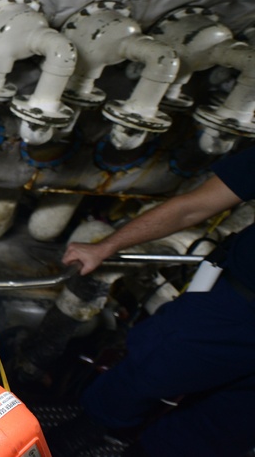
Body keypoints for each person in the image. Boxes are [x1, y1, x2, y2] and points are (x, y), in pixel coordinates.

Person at [61, 145, 255, 457]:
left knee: (224, 430)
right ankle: (75, 436)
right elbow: (193, 207)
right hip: (235, 310)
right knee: (146, 374)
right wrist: (106, 246)